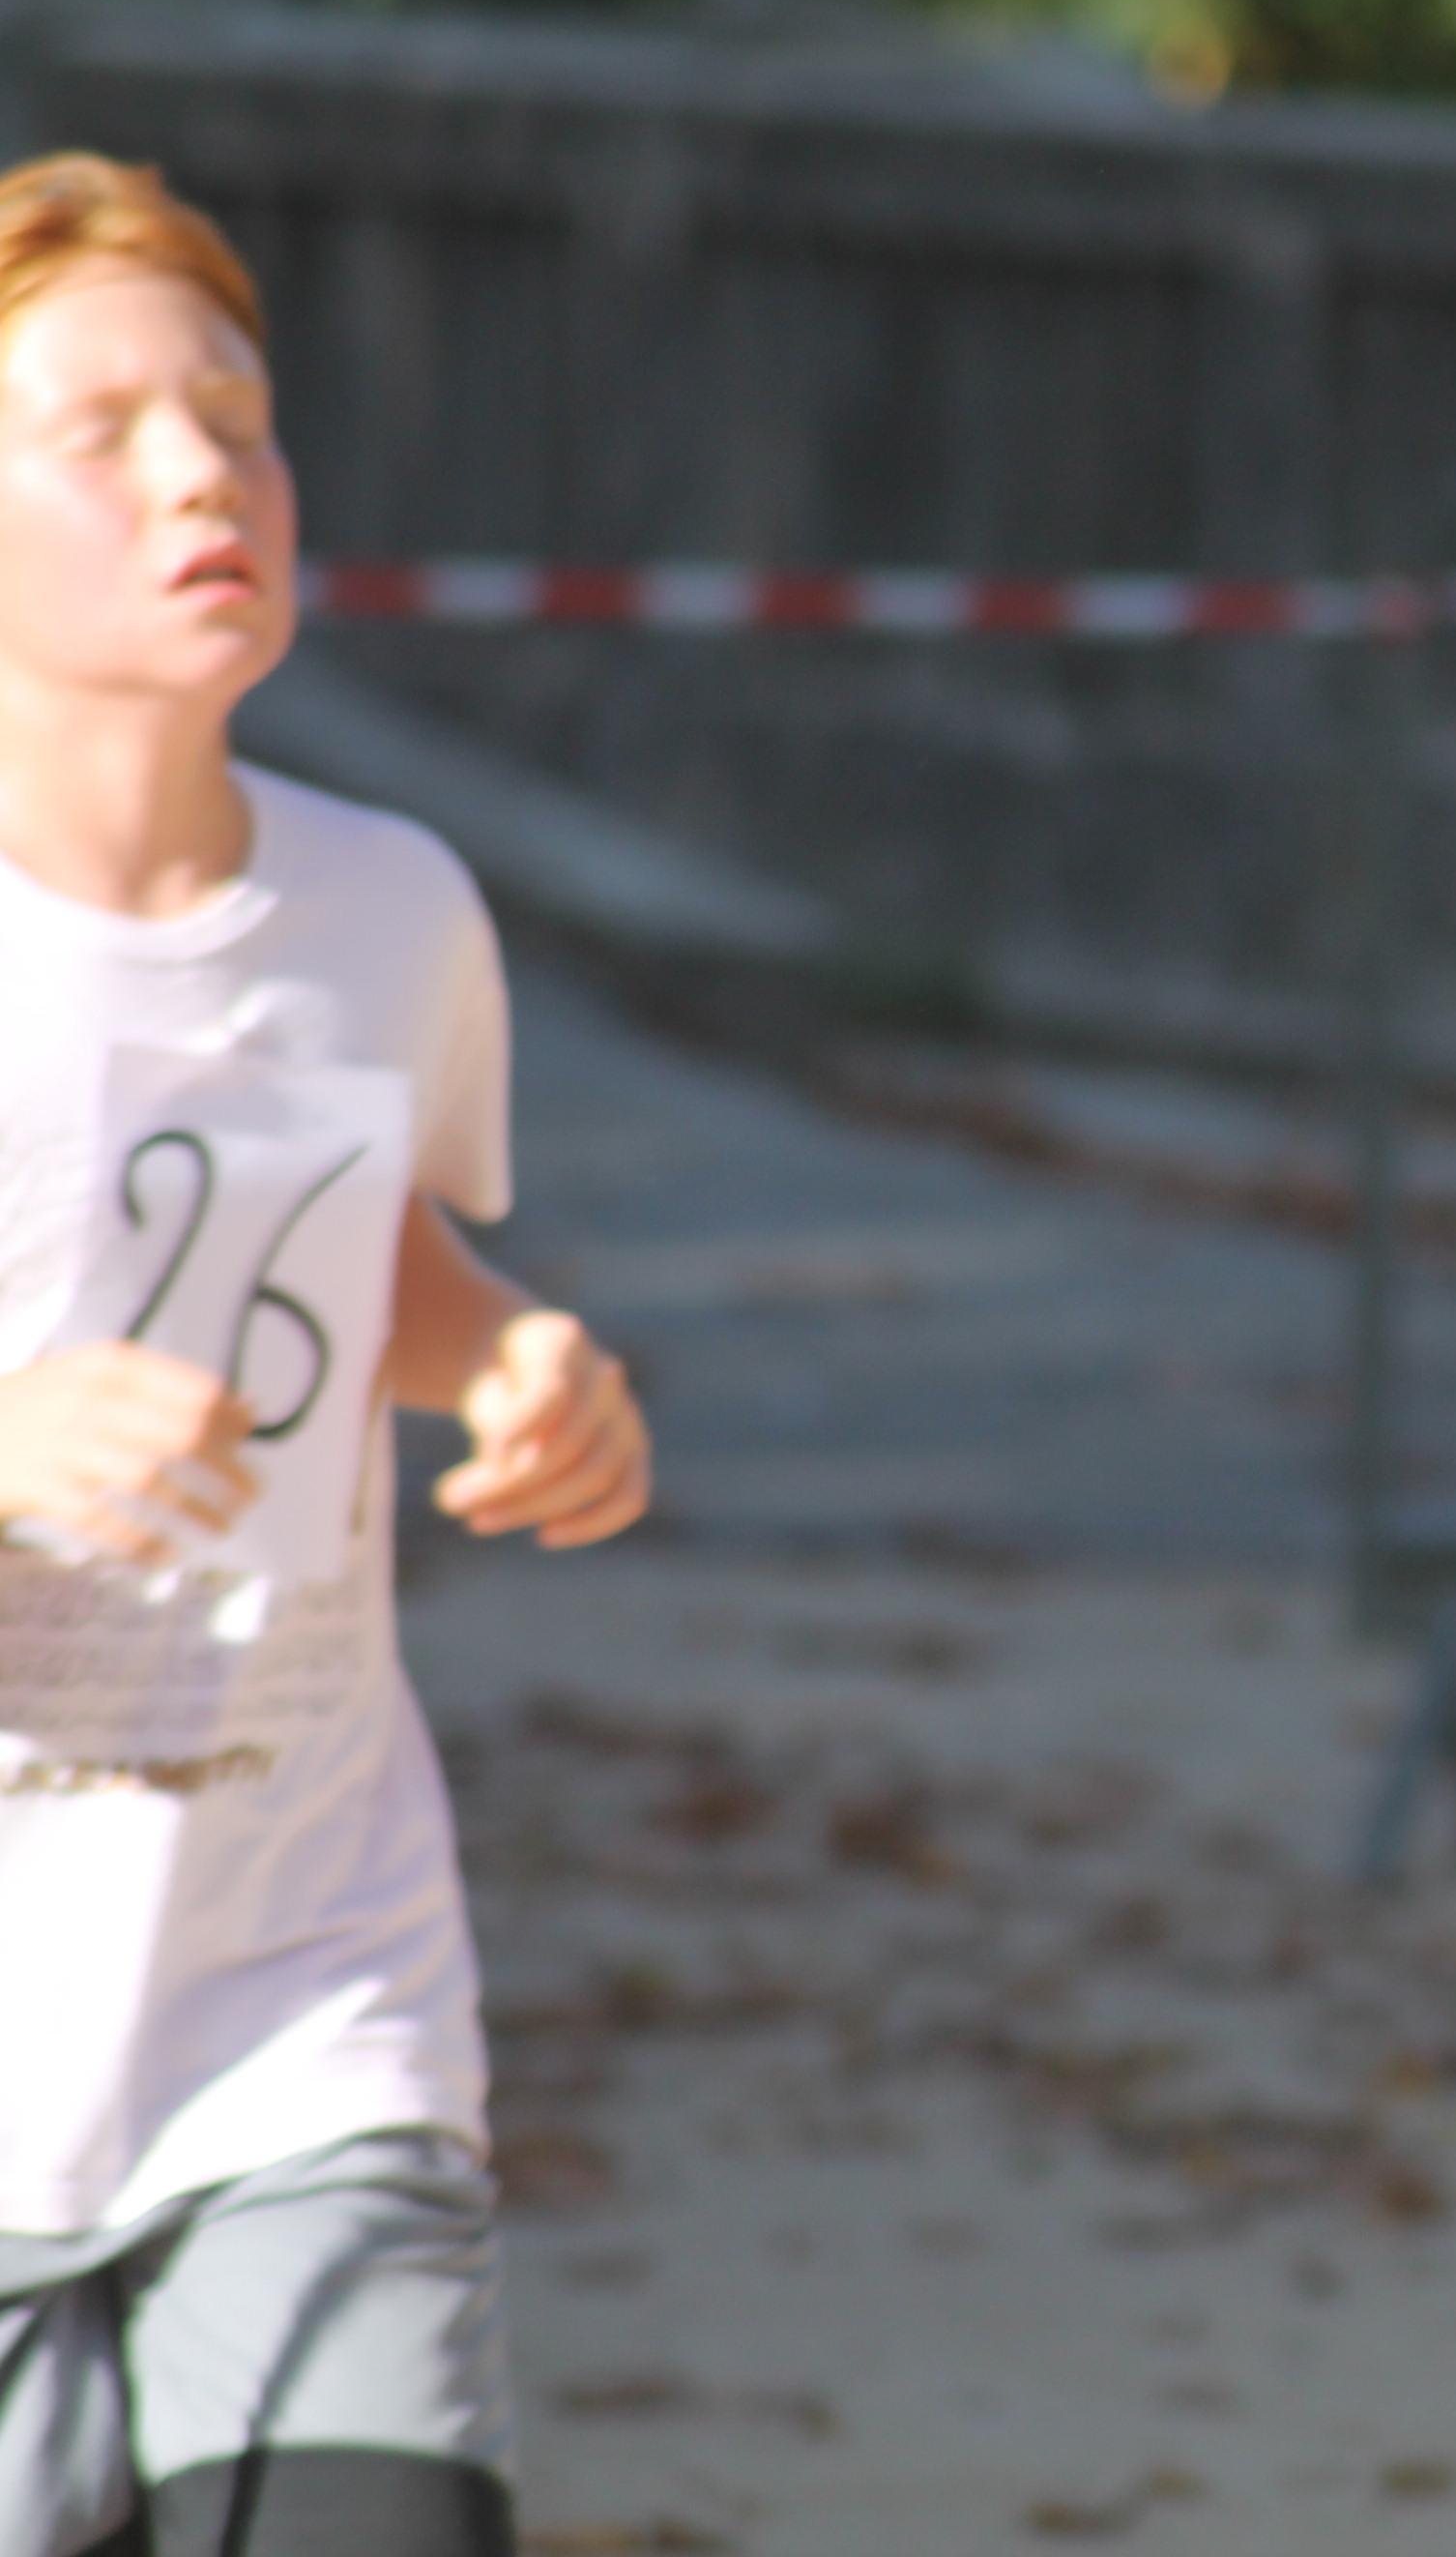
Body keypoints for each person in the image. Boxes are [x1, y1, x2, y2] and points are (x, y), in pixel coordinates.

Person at [0, 154, 653, 2557]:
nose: (203, 475)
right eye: (100, 432)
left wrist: (515, 1357)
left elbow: (357, 1229)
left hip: (302, 2001)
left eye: (240, 418)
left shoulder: (388, 906)